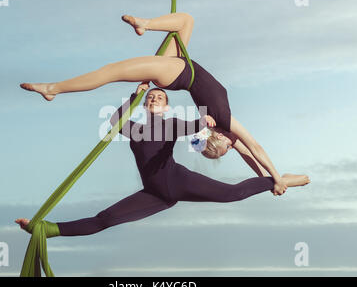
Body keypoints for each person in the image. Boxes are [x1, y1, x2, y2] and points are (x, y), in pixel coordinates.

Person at [20, 12, 298, 195]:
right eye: (229, 147)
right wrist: (273, 178)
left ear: (221, 140)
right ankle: (146, 24)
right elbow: (253, 152)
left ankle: (53, 88)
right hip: (180, 69)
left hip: (178, 72)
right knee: (185, 22)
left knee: (112, 71)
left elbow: (252, 150)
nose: (233, 146)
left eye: (228, 148)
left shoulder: (221, 122)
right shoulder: (224, 122)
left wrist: (274, 179)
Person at [16, 84, 309, 237]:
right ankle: (47, 229)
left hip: (178, 181)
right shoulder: (133, 129)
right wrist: (136, 94)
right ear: (145, 104)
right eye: (151, 98)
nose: (154, 99)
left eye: (160, 97)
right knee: (105, 220)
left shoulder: (170, 124)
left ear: (166, 106)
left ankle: (278, 180)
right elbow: (114, 122)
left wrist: (202, 121)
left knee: (233, 193)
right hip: (156, 194)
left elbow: (188, 127)